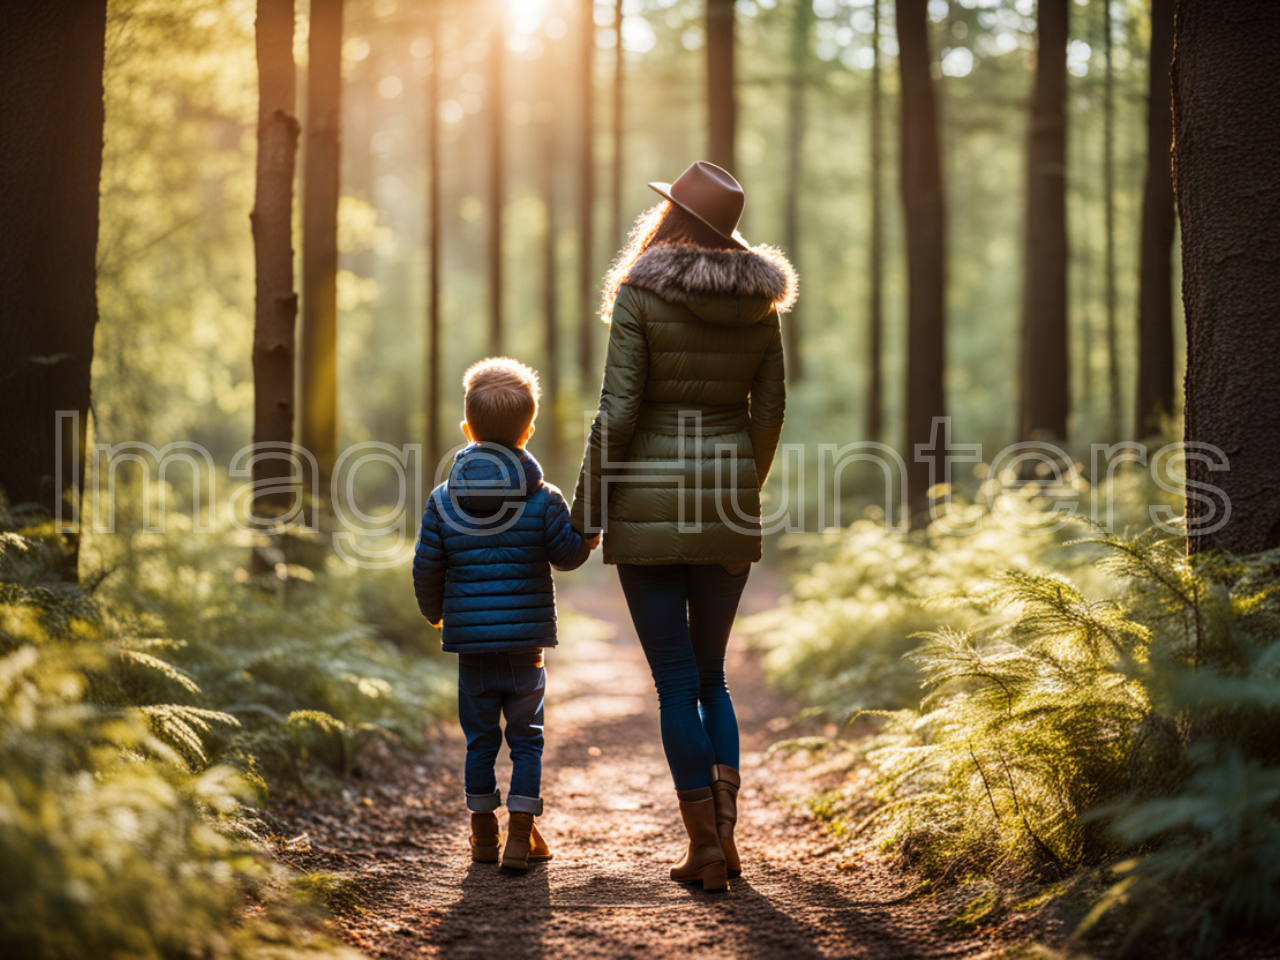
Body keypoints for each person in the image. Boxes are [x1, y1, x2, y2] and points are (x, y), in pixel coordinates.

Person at [570, 162, 795, 892]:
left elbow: (620, 412)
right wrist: (738, 489)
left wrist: (588, 510)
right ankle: (725, 841)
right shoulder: (762, 305)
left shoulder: (640, 290)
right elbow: (769, 413)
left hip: (645, 507)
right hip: (729, 504)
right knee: (711, 679)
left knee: (673, 685)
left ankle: (703, 846)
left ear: (670, 219)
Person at [414, 357, 597, 872]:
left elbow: (426, 568)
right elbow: (566, 555)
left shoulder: (442, 500)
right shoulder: (543, 498)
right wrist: (588, 533)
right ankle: (521, 837)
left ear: (467, 428)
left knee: (479, 742)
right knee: (527, 742)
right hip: (526, 649)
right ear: (529, 429)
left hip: (471, 649)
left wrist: (436, 615)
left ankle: (481, 838)